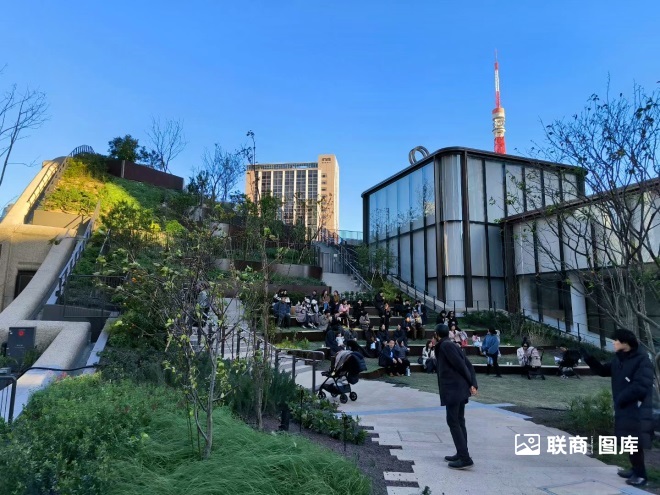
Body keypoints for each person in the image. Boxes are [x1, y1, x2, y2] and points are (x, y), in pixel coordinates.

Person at [581, 329, 654, 487]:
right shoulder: (619, 359)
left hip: (637, 408)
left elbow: (641, 385)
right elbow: (602, 371)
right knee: (629, 441)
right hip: (624, 407)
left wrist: (621, 398)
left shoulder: (642, 360)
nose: (613, 343)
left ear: (625, 343)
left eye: (616, 340)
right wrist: (588, 357)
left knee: (634, 441)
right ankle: (635, 470)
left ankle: (641, 476)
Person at [434, 324, 478, 470]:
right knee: (459, 420)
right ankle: (461, 453)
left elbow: (462, 365)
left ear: (436, 334)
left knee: (453, 421)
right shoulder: (450, 344)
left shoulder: (446, 346)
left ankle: (465, 458)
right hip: (458, 389)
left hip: (454, 389)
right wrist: (472, 383)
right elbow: (467, 364)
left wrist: (472, 384)